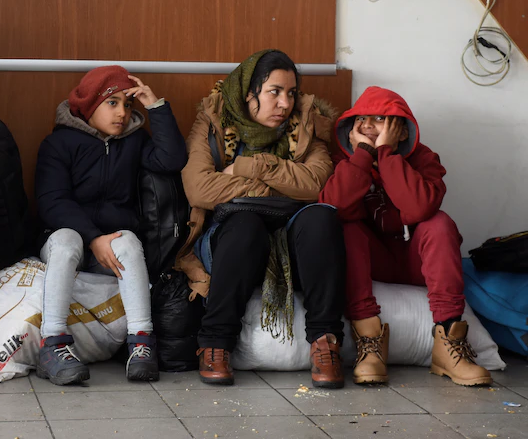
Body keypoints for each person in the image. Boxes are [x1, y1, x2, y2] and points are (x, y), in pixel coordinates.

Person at [177, 49, 346, 388]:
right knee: (246, 225)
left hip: (293, 239)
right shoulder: (214, 120)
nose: (285, 103)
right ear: (248, 92)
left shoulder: (306, 123)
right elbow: (199, 189)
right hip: (231, 240)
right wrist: (282, 186)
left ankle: (324, 341)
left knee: (321, 218)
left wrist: (248, 167)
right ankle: (215, 342)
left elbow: (316, 184)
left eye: (291, 92)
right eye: (274, 92)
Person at [319, 86, 492, 386]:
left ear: (400, 130)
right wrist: (363, 157)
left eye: (379, 118)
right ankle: (370, 343)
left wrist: (386, 154)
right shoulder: (344, 161)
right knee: (346, 228)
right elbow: (333, 209)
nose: (367, 125)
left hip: (416, 260)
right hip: (374, 260)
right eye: (360, 119)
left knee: (439, 222)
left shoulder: (424, 159)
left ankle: (449, 342)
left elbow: (419, 207)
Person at [34, 66, 187, 385]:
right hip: (68, 244)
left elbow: (172, 159)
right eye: (112, 103)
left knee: (128, 240)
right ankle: (53, 345)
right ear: (90, 105)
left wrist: (154, 106)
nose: (122, 113)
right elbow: (52, 201)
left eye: (128, 104)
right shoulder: (59, 143)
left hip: (112, 249)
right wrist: (93, 238)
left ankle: (141, 343)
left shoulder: (134, 141)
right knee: (66, 239)